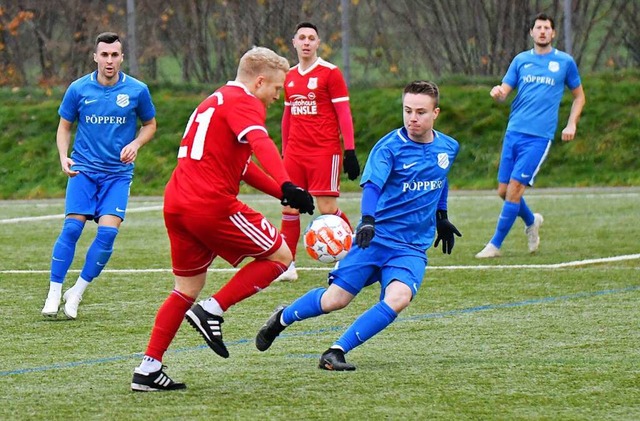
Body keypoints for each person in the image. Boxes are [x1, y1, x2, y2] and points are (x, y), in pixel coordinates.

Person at [130, 46, 315, 391]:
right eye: (277, 89)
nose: (278, 97)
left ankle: (148, 368)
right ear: (260, 81)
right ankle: (212, 310)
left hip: (177, 203)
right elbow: (261, 142)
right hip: (209, 204)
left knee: (186, 288)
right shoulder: (244, 102)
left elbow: (242, 166)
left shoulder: (214, 101)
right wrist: (288, 182)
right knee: (280, 257)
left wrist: (283, 194)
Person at [256, 80, 461, 371]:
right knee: (335, 300)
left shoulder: (448, 147)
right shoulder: (390, 147)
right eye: (407, 111)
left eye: (420, 112)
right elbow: (373, 187)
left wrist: (441, 216)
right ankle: (282, 318)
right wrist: (367, 221)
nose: (413, 118)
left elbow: (440, 179)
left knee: (399, 298)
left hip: (411, 246)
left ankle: (335, 351)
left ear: (435, 113)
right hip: (375, 239)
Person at [41, 32, 157, 319]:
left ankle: (76, 292)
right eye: (104, 55)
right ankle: (54, 291)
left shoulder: (137, 90)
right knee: (72, 229)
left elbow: (150, 124)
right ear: (95, 57)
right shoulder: (78, 89)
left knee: (107, 234)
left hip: (117, 175)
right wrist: (62, 156)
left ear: (121, 57)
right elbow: (64, 126)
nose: (109, 60)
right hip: (83, 171)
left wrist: (135, 143)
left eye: (114, 55)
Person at [475, 12, 586, 258]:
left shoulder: (564, 62)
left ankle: (494, 245)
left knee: (515, 189)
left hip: (539, 137)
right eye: (538, 27)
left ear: (553, 33)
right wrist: (498, 92)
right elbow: (505, 90)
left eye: (547, 27)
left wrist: (571, 124)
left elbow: (579, 96)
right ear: (532, 33)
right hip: (514, 132)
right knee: (504, 192)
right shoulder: (521, 60)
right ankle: (531, 221)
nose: (543, 31)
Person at [276, 21, 360, 282]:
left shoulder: (330, 73)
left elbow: (343, 113)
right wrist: (283, 151)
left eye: (311, 38)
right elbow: (287, 117)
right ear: (294, 42)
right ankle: (287, 265)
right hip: (295, 152)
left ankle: (350, 253)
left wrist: (350, 150)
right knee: (290, 208)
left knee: (327, 206)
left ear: (318, 43)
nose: (306, 42)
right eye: (301, 37)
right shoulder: (288, 76)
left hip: (324, 151)